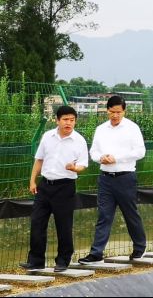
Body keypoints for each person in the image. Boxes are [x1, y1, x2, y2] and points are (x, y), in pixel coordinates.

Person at [78, 95, 147, 264]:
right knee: (104, 216)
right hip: (105, 179)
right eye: (112, 112)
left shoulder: (132, 128)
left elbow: (140, 152)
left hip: (125, 177)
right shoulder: (101, 129)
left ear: (124, 111)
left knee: (130, 214)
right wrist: (101, 158)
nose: (115, 115)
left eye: (118, 112)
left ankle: (140, 247)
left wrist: (117, 158)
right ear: (107, 111)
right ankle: (96, 253)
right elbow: (93, 151)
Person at [19, 106, 88, 272]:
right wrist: (32, 181)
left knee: (63, 225)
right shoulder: (47, 136)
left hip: (65, 187)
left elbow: (83, 165)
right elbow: (39, 159)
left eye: (72, 120)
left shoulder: (79, 140)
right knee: (37, 222)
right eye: (65, 120)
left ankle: (63, 261)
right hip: (44, 186)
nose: (68, 123)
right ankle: (36, 261)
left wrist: (74, 168)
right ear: (57, 120)